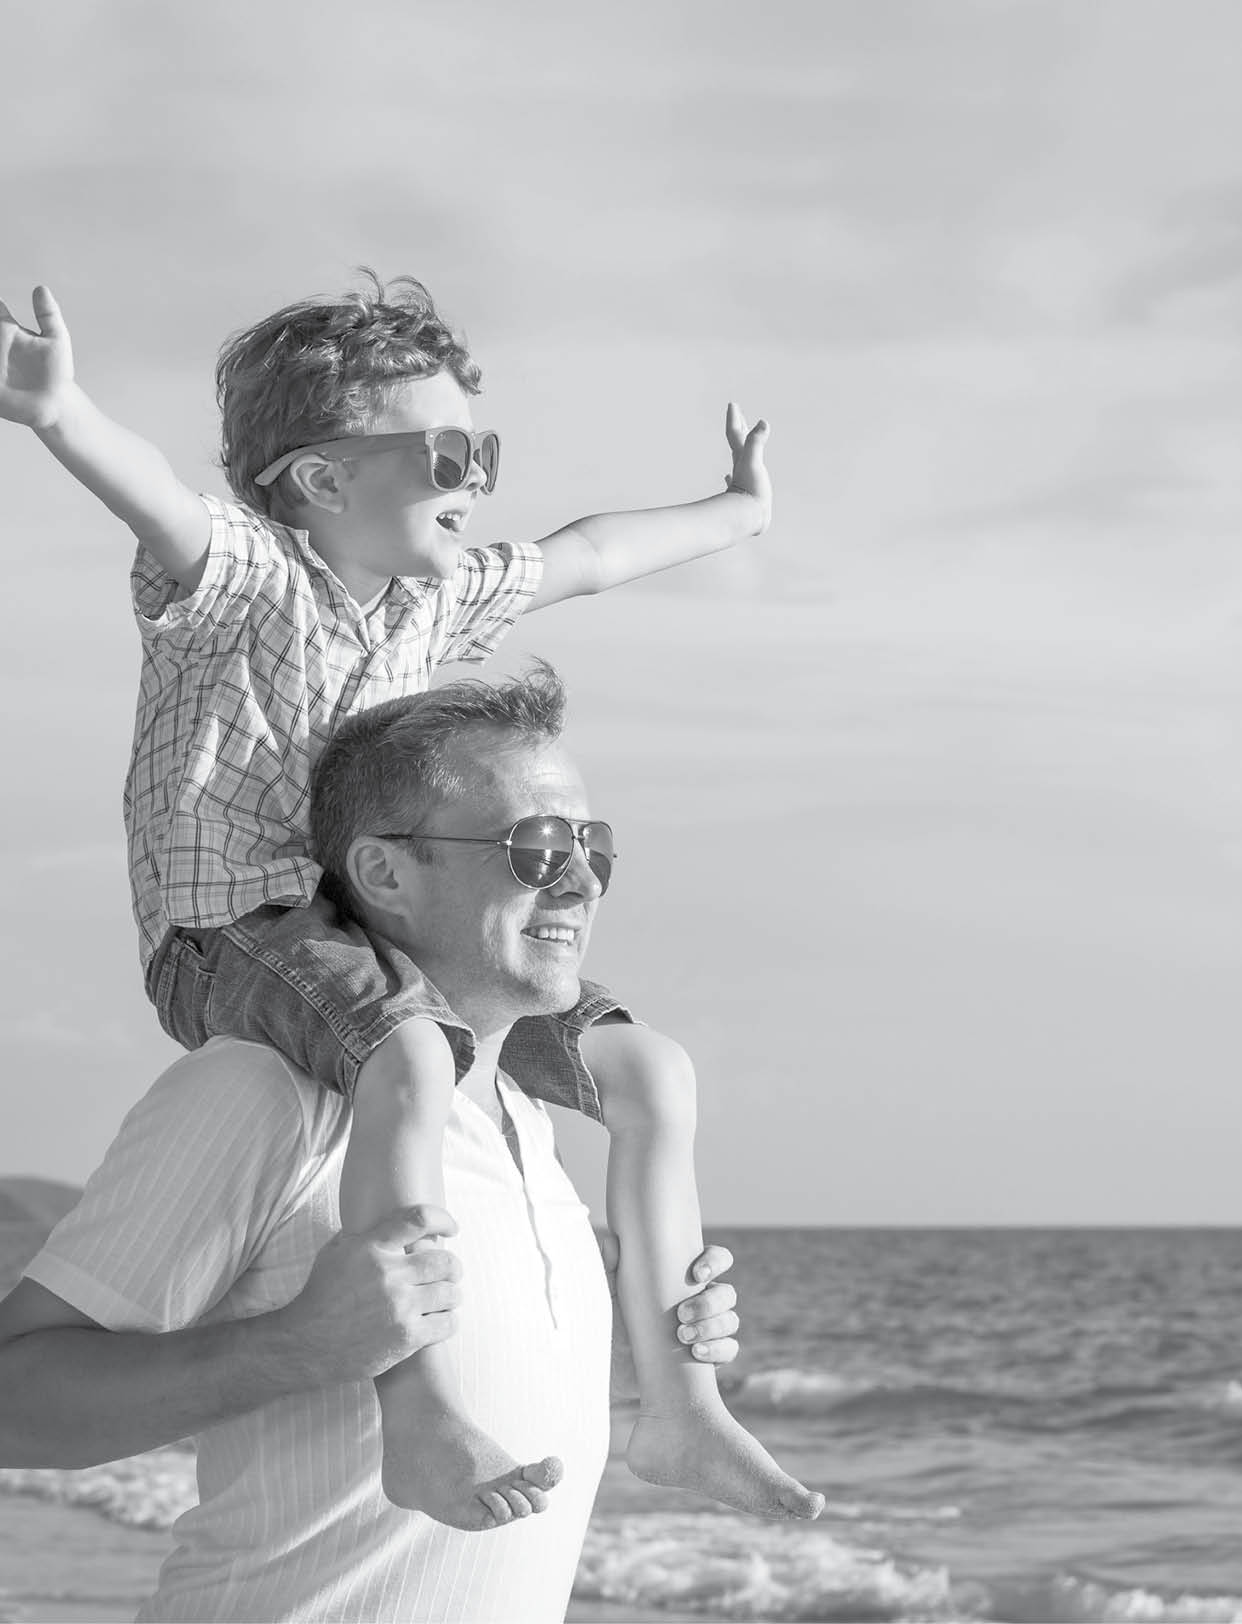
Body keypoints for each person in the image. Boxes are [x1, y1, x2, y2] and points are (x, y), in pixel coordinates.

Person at [0, 272, 818, 1529]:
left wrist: (736, 513)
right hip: (238, 931)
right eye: (446, 451)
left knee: (653, 1073)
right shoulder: (247, 575)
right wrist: (63, 419)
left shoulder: (436, 600)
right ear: (321, 479)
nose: (478, 476)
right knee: (408, 1061)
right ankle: (420, 1406)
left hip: (385, 942)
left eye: (482, 448)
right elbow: (161, 500)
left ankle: (684, 1408)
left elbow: (590, 552)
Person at [0, 667, 807, 1622]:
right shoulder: (265, 1092)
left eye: (593, 842)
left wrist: (636, 1352)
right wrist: (296, 1348)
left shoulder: (534, 1133)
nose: (583, 877)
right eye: (536, 845)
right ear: (384, 873)